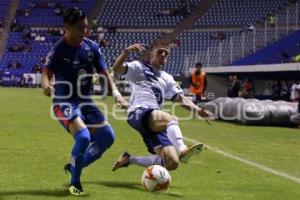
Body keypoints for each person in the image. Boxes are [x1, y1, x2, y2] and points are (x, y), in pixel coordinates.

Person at [41, 7, 128, 196]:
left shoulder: (91, 47)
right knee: (83, 137)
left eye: (86, 27)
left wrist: (117, 93)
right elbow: (46, 73)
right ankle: (75, 182)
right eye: (80, 27)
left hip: (85, 101)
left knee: (107, 137)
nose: (84, 31)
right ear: (67, 27)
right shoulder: (58, 49)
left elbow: (105, 73)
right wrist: (46, 86)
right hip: (64, 101)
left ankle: (74, 167)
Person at [111, 43, 214, 172]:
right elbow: (116, 68)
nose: (163, 55)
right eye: (160, 52)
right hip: (139, 112)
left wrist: (198, 110)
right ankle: (183, 149)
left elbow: (181, 99)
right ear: (151, 55)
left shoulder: (167, 77)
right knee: (171, 119)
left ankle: (129, 159)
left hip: (154, 119)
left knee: (171, 162)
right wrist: (126, 52)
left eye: (166, 53)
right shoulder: (138, 67)